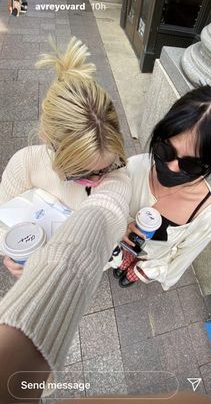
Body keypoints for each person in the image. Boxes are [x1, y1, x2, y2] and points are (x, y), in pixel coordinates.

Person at [0, 37, 131, 401]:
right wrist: (12, 258)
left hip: (80, 271)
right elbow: (5, 226)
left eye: (107, 167)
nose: (98, 181)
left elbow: (106, 213)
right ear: (48, 141)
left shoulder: (118, 177)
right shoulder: (24, 163)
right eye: (81, 174)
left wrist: (52, 273)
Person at [110, 85, 211, 288]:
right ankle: (125, 258)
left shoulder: (208, 216)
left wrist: (152, 271)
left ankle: (136, 270)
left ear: (210, 164)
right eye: (166, 150)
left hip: (152, 260)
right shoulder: (135, 166)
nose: (172, 167)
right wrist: (119, 228)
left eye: (191, 164)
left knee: (140, 268)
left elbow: (181, 259)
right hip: (124, 243)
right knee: (122, 254)